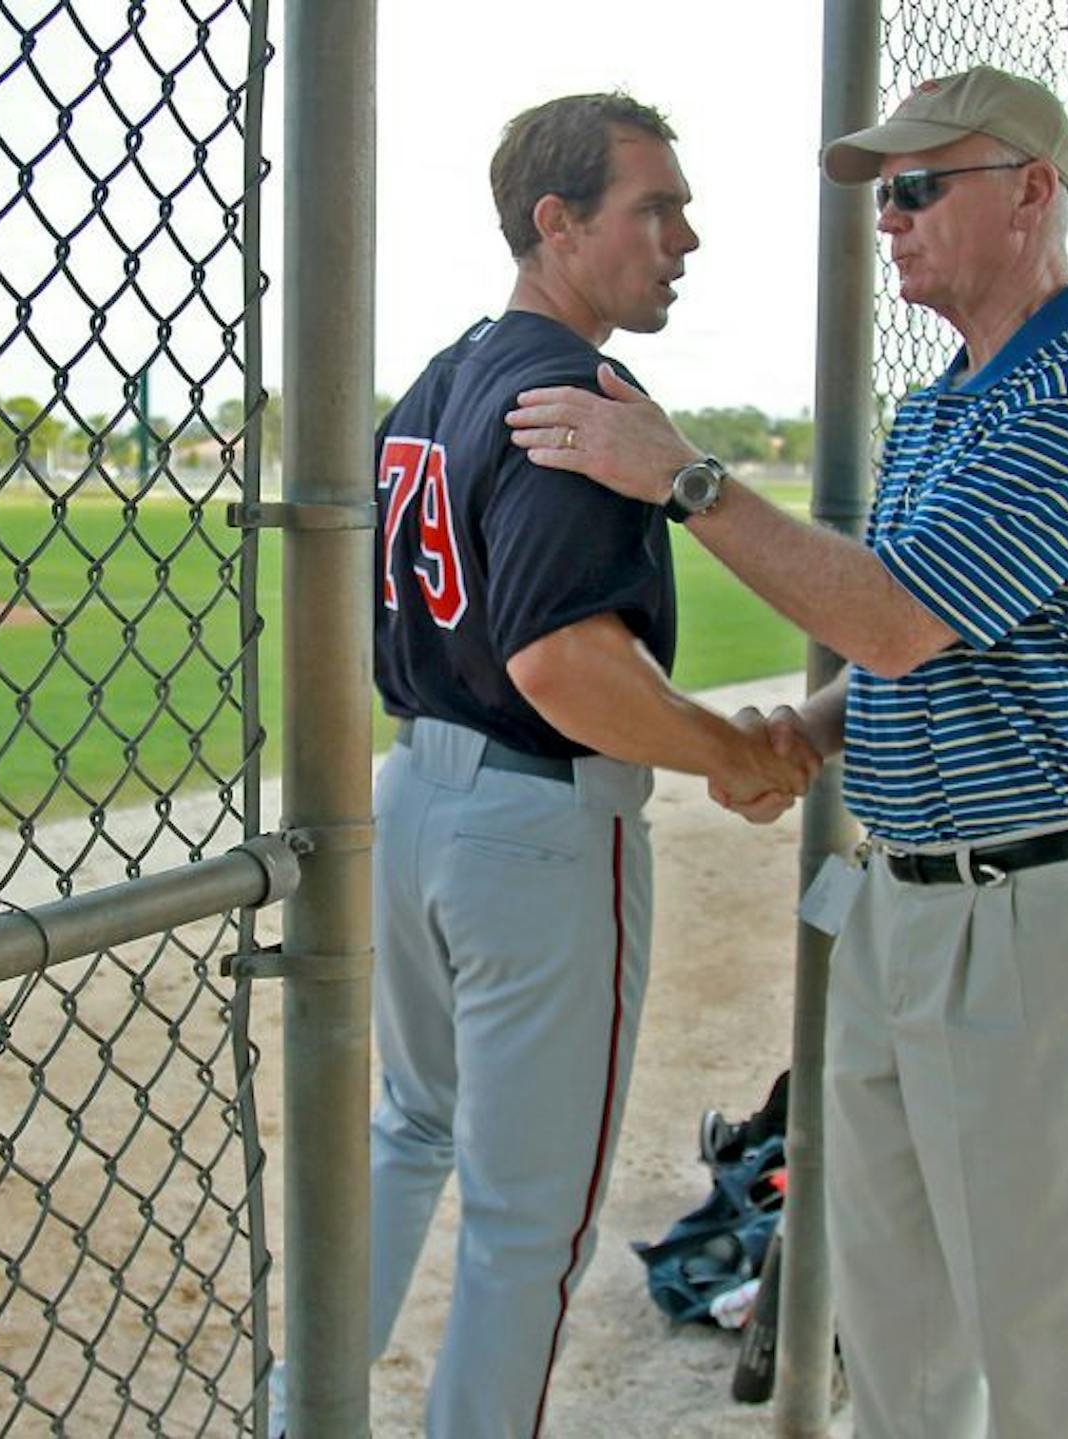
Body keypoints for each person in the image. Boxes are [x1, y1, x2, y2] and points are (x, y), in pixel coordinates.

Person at [505, 67, 1068, 1439]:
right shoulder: (947, 406)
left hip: (1038, 916)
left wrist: (684, 476)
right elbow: (909, 658)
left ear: (1033, 195)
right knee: (895, 1329)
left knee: (1058, 1347)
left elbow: (891, 618)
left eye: (923, 187)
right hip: (903, 905)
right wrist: (786, 741)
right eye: (887, 195)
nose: (894, 218)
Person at [365, 92, 818, 1438]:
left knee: (409, 1133)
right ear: (556, 223)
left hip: (414, 803)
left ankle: (301, 1409)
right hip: (536, 831)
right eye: (654, 206)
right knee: (526, 1225)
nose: (686, 235)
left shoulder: (443, 374)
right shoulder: (576, 399)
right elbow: (560, 665)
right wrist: (727, 750)